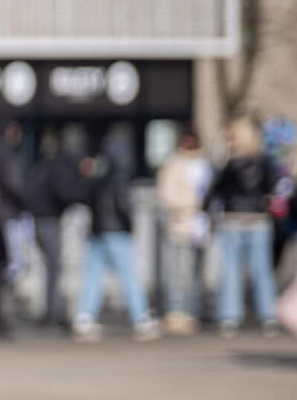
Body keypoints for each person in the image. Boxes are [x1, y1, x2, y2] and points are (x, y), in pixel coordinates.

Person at [72, 139, 159, 343]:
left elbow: (85, 199)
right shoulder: (119, 177)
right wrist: (130, 227)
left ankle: (84, 318)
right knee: (129, 276)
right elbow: (123, 205)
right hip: (117, 232)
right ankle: (141, 319)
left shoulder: (96, 176)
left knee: (92, 277)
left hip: (97, 231)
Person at [205, 117, 283, 337]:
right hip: (258, 219)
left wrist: (205, 211)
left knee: (231, 270)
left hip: (232, 218)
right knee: (262, 270)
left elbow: (215, 189)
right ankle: (268, 316)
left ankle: (230, 317)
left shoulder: (231, 162)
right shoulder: (265, 160)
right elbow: (272, 186)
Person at [22, 133, 84, 327]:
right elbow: (64, 193)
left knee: (47, 267)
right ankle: (53, 313)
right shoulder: (59, 169)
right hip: (49, 220)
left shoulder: (39, 167)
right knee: (54, 267)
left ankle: (49, 310)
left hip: (36, 219)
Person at [156, 129, 213, 335]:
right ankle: (176, 312)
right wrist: (192, 204)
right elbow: (166, 196)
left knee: (195, 273)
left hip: (200, 227)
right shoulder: (174, 165)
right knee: (178, 272)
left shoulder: (205, 165)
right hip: (180, 226)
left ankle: (192, 312)